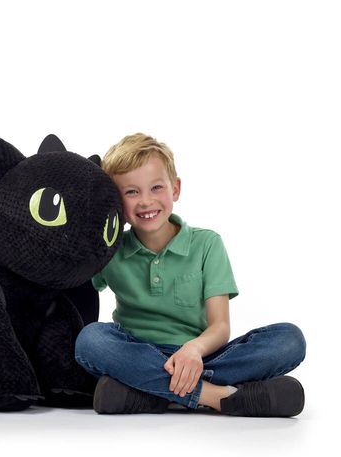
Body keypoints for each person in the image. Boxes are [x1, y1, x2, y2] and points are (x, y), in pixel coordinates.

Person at [75, 133, 306, 417]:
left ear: (175, 189)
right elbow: (74, 287)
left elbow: (220, 326)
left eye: (156, 187)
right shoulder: (110, 249)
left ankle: (150, 393)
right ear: (115, 200)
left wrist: (193, 350)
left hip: (200, 356)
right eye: (131, 192)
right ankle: (218, 396)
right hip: (136, 352)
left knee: (290, 339)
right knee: (90, 340)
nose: (146, 201)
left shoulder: (207, 244)